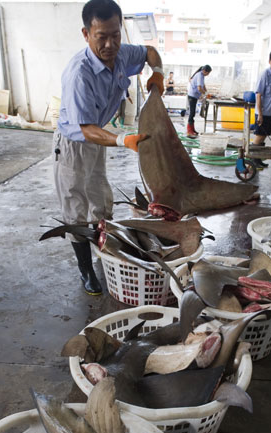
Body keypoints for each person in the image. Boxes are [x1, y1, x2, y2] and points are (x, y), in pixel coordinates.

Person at [53, 0, 164, 295]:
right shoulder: (79, 74)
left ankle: (104, 249)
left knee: (100, 199)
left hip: (98, 138)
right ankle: (86, 270)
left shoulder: (121, 52)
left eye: (115, 35)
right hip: (74, 144)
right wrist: (121, 140)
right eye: (101, 37)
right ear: (86, 34)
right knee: (76, 208)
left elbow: (150, 51)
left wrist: (158, 72)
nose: (109, 44)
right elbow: (85, 129)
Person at [253, 50, 271, 169]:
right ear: (269, 61)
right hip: (262, 112)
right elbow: (258, 95)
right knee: (259, 135)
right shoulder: (264, 74)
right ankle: (252, 159)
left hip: (270, 112)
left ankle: (258, 159)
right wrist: (260, 114)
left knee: (264, 135)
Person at [186, 65, 212, 138]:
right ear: (205, 71)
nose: (208, 74)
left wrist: (207, 92)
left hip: (194, 96)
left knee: (193, 113)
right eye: (208, 73)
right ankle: (189, 131)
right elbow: (199, 88)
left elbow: (203, 86)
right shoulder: (200, 75)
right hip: (192, 96)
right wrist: (205, 94)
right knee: (192, 113)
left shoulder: (201, 75)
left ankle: (192, 129)